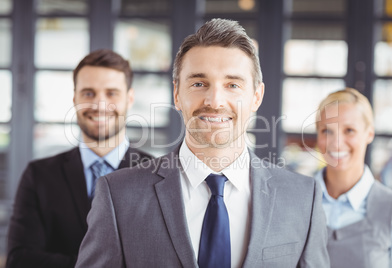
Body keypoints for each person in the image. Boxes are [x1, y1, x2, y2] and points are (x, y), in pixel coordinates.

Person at [76, 19, 329, 268]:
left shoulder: (303, 198)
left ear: (256, 96)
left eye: (232, 85)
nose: (215, 100)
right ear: (177, 94)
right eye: (199, 83)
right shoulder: (118, 195)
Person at [6, 49, 153, 268]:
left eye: (111, 93)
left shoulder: (156, 175)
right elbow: (19, 260)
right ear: (75, 98)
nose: (99, 104)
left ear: (129, 98)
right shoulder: (38, 176)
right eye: (88, 93)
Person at [314, 88, 392, 268]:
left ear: (369, 133)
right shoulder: (294, 200)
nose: (336, 142)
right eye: (327, 131)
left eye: (349, 130)